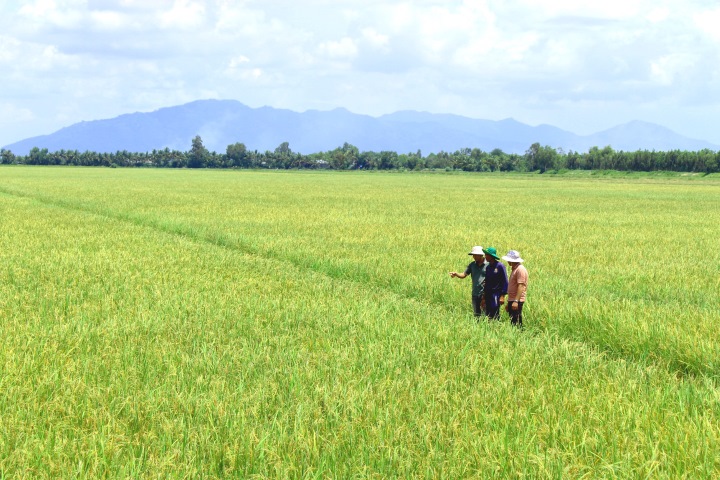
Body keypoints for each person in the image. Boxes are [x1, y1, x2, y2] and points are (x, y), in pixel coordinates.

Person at [449, 246, 488, 318]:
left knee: (485, 315)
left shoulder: (488, 265)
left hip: (485, 295)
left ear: (480, 255)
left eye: (475, 255)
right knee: (476, 315)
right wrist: (456, 274)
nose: (474, 257)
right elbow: (464, 275)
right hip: (475, 293)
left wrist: (485, 296)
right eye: (473, 255)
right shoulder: (472, 265)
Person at [503, 250, 528, 328]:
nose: (507, 261)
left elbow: (521, 286)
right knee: (512, 320)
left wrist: (516, 301)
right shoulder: (515, 269)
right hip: (513, 299)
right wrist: (509, 302)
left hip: (517, 300)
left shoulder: (520, 269)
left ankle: (519, 335)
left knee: (516, 321)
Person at [482, 247, 508, 320]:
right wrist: (484, 296)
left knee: (495, 311)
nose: (485, 256)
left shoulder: (500, 266)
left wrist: (502, 296)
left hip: (496, 294)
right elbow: (486, 282)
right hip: (488, 293)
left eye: (486, 255)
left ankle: (496, 327)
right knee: (488, 313)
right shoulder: (488, 267)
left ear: (491, 256)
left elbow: (505, 281)